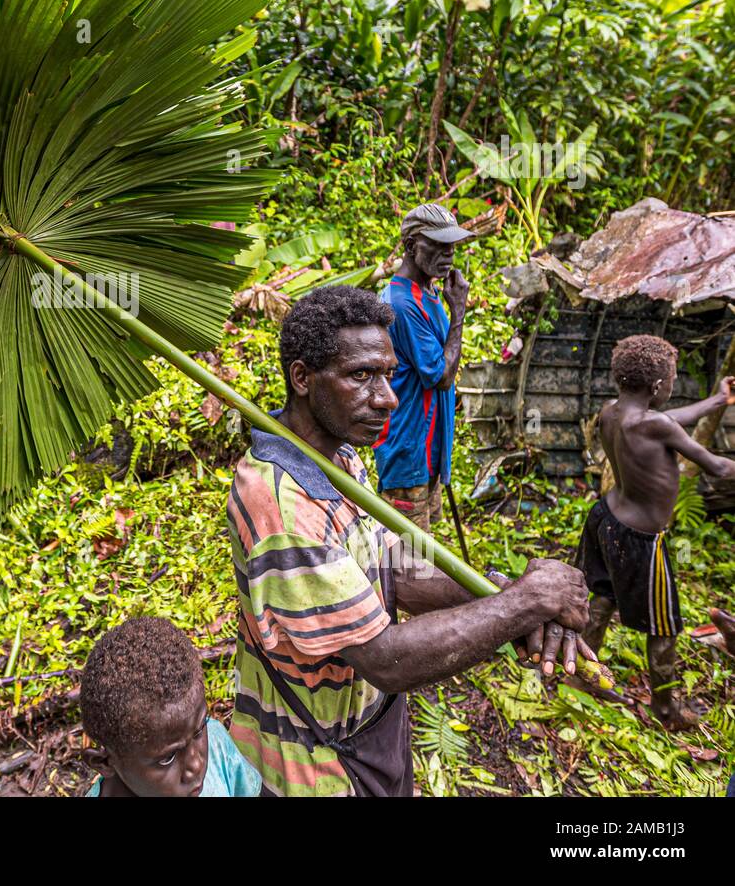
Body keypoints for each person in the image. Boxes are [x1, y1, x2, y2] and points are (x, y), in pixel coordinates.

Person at [227, 286, 594, 796]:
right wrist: (522, 603)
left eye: (386, 374)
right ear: (303, 378)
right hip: (311, 764)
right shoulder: (280, 507)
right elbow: (383, 657)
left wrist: (504, 595)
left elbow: (392, 560)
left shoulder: (337, 456)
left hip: (365, 728)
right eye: (361, 376)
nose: (388, 397)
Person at [579, 335, 735, 731]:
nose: (671, 386)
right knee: (664, 626)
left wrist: (717, 401)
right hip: (641, 540)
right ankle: (666, 709)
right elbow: (717, 467)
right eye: (671, 380)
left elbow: (668, 420)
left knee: (601, 597)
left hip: (605, 518)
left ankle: (581, 671)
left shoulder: (611, 412)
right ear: (655, 386)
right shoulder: (655, 424)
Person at [373, 203, 472, 533]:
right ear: (411, 246)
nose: (448, 256)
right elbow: (440, 376)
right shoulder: (402, 303)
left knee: (424, 549)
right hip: (409, 451)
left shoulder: (427, 292)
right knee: (408, 560)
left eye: (452, 247)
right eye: (439, 246)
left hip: (428, 451)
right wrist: (458, 312)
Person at [80, 617, 260, 797]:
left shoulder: (217, 747)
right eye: (168, 758)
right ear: (104, 762)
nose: (196, 765)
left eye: (198, 732)